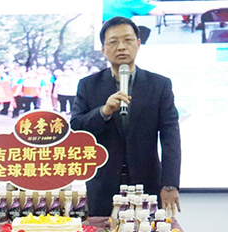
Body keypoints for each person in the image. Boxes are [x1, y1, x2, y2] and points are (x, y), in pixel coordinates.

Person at [70, 16, 181, 217]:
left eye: (128, 40)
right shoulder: (88, 85)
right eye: (113, 42)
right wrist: (104, 112)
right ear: (103, 49)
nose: (121, 47)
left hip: (147, 183)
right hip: (103, 185)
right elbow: (76, 128)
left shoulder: (159, 85)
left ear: (138, 44)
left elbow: (170, 136)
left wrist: (170, 184)